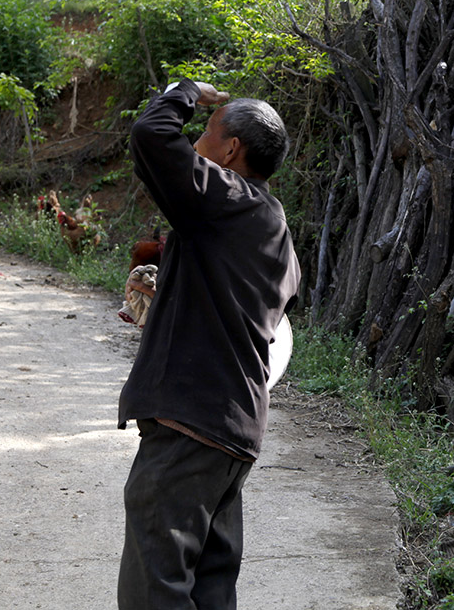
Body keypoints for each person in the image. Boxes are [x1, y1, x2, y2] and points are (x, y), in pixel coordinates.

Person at [117, 78, 301, 610]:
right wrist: (168, 304)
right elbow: (244, 318)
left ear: (230, 149)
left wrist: (183, 91)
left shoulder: (226, 201)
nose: (195, 144)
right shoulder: (272, 227)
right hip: (233, 431)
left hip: (190, 424)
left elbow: (152, 134)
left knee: (157, 586)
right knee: (209, 585)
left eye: (204, 134)